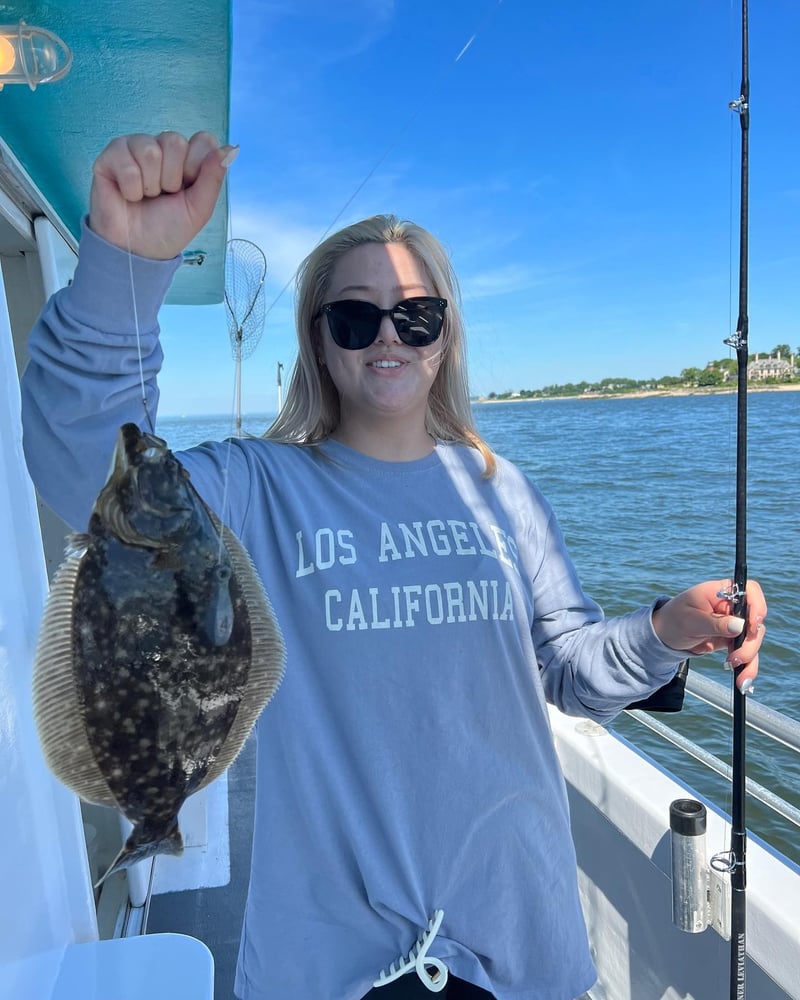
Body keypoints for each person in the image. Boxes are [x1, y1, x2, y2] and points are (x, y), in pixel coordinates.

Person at [21, 131, 767, 1000]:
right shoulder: (256, 489)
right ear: (321, 341)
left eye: (416, 315)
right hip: (330, 961)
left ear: (444, 338)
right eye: (355, 315)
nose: (388, 336)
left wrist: (665, 631)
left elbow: (569, 673)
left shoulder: (505, 492)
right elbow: (92, 473)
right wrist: (124, 270)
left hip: (522, 941)